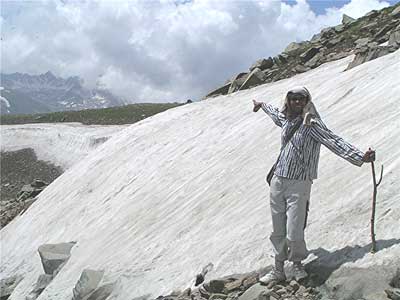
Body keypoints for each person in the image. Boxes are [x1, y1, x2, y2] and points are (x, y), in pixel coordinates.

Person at [252, 86, 375, 284]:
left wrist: (360, 156)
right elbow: (275, 114)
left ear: (307, 101)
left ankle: (297, 264)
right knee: (278, 227)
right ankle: (278, 269)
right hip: (278, 179)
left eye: (301, 99)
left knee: (294, 227)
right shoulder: (287, 119)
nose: (297, 102)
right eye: (293, 99)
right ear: (288, 101)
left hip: (299, 183)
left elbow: (333, 140)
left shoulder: (312, 124)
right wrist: (262, 105)